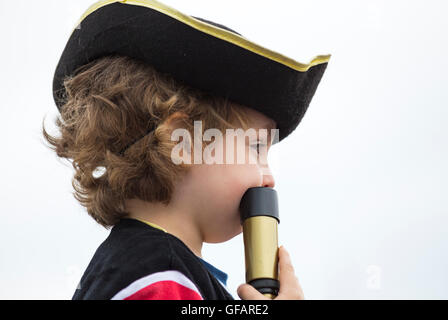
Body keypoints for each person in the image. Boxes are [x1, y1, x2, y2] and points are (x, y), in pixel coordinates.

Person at [44, 0, 329, 300]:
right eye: (256, 147)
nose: (269, 178)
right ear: (185, 142)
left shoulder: (141, 270)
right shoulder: (160, 280)